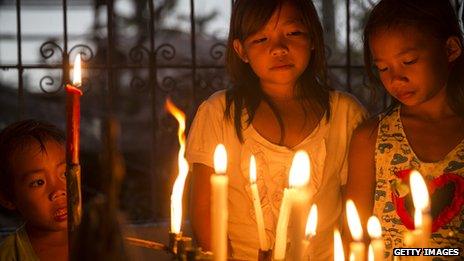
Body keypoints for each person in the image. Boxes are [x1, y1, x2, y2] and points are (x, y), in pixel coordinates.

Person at [186, 0, 366, 259]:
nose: (279, 48)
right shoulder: (219, 113)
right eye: (261, 39)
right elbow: (205, 209)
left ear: (313, 38)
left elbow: (357, 209)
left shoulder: (345, 114)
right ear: (241, 50)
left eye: (292, 33)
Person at [346, 0, 464, 258]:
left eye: (408, 61)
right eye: (383, 68)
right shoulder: (371, 138)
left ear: (450, 49)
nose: (395, 78)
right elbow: (354, 233)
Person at [0, 120, 68, 261]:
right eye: (38, 182)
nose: (58, 191)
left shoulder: (103, 237)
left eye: (65, 174)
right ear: (7, 199)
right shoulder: (9, 255)